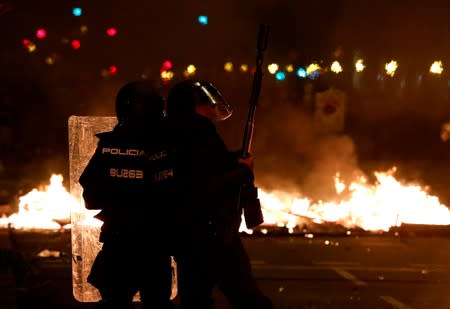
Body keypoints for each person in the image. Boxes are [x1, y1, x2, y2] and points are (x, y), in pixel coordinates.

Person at [166, 79, 274, 309]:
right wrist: (242, 171)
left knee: (196, 301)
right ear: (191, 106)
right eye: (204, 103)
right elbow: (205, 183)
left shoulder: (173, 132)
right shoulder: (198, 132)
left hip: (186, 234)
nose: (209, 108)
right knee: (248, 297)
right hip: (212, 233)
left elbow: (206, 166)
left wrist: (233, 160)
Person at [78, 80, 176, 309]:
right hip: (154, 245)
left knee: (115, 302)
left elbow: (91, 196)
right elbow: (176, 193)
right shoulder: (165, 145)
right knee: (157, 303)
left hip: (118, 243)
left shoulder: (110, 144)